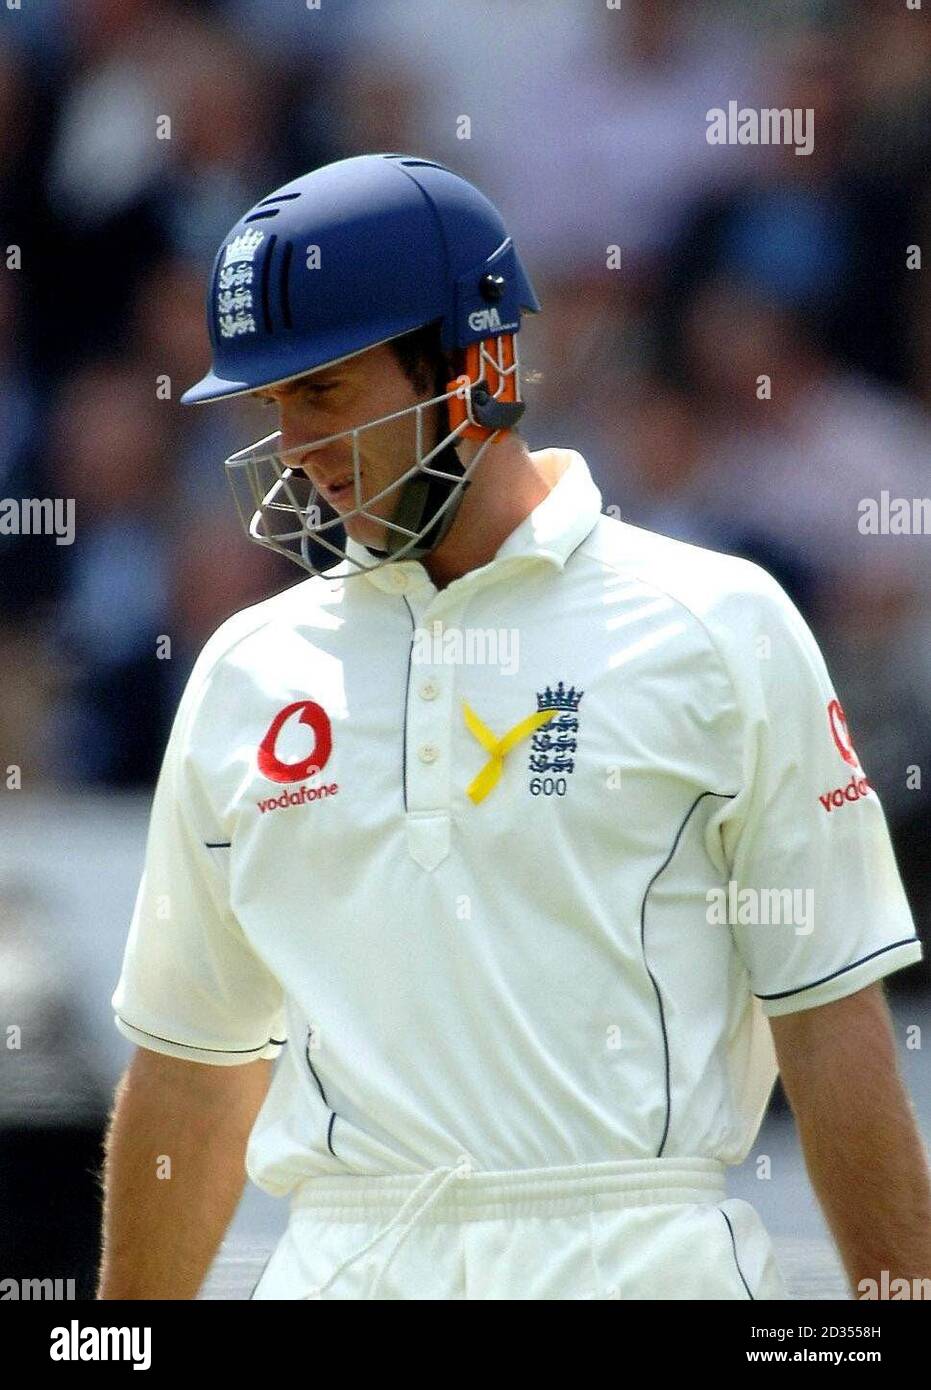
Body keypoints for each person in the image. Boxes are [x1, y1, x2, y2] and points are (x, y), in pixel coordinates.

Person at [100, 154, 929, 1300]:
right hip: (347, 1265)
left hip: (639, 1265)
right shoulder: (246, 670)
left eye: (323, 392)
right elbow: (194, 1068)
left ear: (476, 365)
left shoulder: (717, 624)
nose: (288, 445)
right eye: (270, 402)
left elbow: (828, 1019)